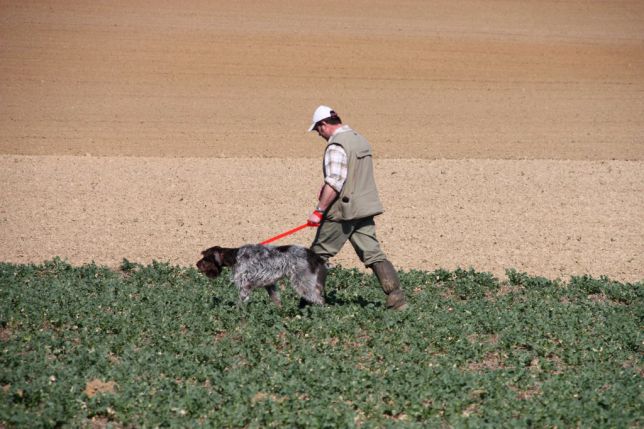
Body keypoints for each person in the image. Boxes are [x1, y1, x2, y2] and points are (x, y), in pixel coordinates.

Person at [306, 105, 407, 310]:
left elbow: (335, 181)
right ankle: (397, 298)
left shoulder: (337, 145)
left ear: (324, 125)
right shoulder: (360, 139)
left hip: (343, 211)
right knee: (373, 253)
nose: (318, 134)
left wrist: (319, 211)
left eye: (317, 130)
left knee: (318, 254)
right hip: (364, 207)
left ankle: (311, 303)